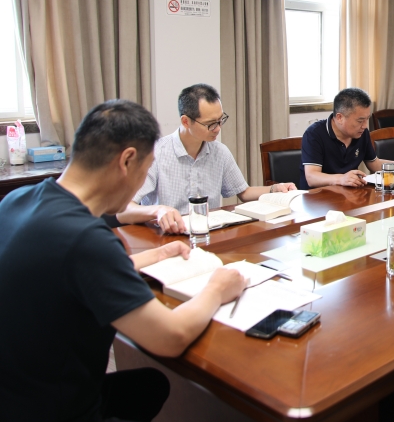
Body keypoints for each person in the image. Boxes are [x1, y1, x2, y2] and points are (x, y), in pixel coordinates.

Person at [0, 100, 246, 422]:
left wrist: (154, 255)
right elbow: (170, 338)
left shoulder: (18, 200)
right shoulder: (86, 239)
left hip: (15, 392)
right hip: (54, 409)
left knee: (149, 386)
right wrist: (217, 288)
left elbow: (63, 270)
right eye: (145, 170)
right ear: (127, 160)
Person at [118, 84, 296, 233]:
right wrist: (158, 211)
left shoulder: (219, 151)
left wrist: (274, 189)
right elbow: (123, 210)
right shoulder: (156, 153)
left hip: (208, 234)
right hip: (166, 237)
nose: (218, 128)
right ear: (186, 121)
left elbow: (244, 192)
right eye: (210, 124)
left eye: (220, 120)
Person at [299, 87, 394, 189]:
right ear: (340, 117)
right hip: (318, 198)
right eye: (360, 121)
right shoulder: (314, 134)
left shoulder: (361, 133)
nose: (365, 126)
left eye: (367, 119)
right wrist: (341, 179)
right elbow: (312, 177)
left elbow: (375, 164)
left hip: (349, 195)